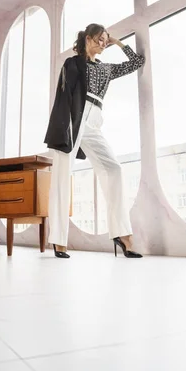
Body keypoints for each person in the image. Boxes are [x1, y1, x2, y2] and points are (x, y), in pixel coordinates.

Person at [44, 23, 145, 258]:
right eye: (100, 39)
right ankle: (59, 240)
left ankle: (122, 234)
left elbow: (136, 63)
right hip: (72, 118)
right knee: (62, 178)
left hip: (94, 121)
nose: (103, 43)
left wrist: (118, 42)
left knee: (114, 169)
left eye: (105, 40)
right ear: (88, 38)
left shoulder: (106, 69)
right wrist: (63, 128)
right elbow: (64, 96)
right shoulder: (73, 62)